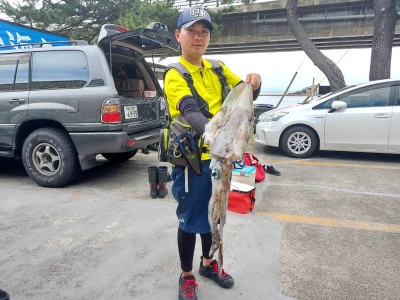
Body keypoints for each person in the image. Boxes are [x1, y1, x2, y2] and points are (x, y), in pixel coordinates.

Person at [163, 6, 261, 300]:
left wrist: (255, 81)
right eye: (192, 31)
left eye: (204, 32)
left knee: (214, 215)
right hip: (192, 162)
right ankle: (186, 275)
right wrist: (216, 137)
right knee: (190, 219)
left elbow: (246, 92)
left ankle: (208, 264)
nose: (198, 37)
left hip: (220, 162)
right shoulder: (174, 74)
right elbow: (189, 110)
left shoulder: (217, 68)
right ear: (178, 35)